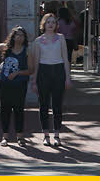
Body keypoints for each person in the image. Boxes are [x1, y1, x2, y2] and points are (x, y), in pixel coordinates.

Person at [32, 13, 72, 147]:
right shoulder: (38, 41)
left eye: (53, 22)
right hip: (43, 72)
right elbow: (36, 61)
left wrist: (67, 77)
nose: (50, 24)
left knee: (57, 105)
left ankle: (57, 134)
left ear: (56, 25)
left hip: (58, 71)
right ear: (44, 24)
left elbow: (66, 59)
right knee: (43, 105)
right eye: (48, 22)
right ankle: (45, 135)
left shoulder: (61, 39)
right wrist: (34, 80)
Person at [0, 26, 32, 146]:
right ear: (13, 37)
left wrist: (18, 73)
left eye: (21, 35)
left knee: (19, 109)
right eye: (17, 35)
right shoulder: (6, 48)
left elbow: (31, 70)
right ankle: (5, 136)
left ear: (25, 38)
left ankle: (20, 136)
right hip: (5, 84)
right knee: (5, 110)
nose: (19, 37)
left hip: (20, 84)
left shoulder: (27, 51)